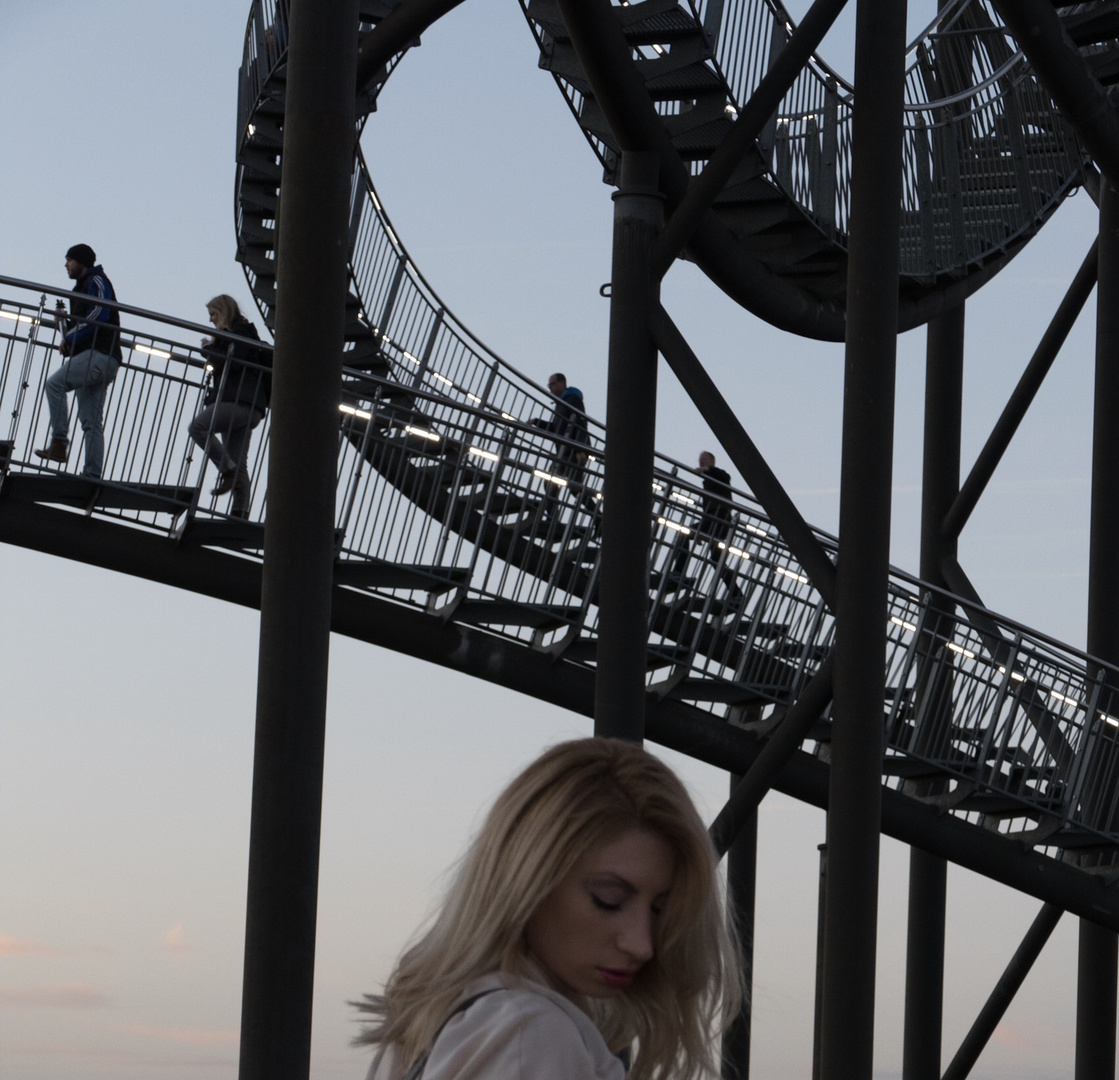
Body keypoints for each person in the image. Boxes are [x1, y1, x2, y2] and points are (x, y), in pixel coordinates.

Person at [355, 737, 742, 1080]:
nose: (642, 945)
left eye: (661, 909)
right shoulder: (533, 1035)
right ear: (528, 882)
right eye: (609, 899)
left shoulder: (437, 1022)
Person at [35, 244, 122, 478]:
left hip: (100, 355)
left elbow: (99, 314)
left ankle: (59, 443)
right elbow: (88, 319)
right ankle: (92, 474)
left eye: (70, 260)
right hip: (98, 358)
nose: (66, 265)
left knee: (54, 385)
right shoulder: (84, 286)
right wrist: (67, 327)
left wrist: (72, 335)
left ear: (82, 261)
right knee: (91, 421)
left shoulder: (97, 280)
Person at [187, 295, 271, 518]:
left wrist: (208, 349)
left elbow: (229, 362)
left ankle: (227, 470)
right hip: (248, 404)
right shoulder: (242, 334)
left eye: (214, 314)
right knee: (239, 460)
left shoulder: (238, 335)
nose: (211, 320)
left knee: (197, 428)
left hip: (238, 402)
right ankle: (239, 512)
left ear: (224, 312)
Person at [669, 452, 743, 603]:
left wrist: (707, 470)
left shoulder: (718, 475)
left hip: (720, 519)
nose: (702, 461)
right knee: (716, 559)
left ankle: (678, 572)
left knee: (684, 534)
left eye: (705, 459)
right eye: (700, 460)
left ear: (712, 461)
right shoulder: (708, 482)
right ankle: (736, 593)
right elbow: (707, 509)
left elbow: (724, 475)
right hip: (715, 521)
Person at [530, 373, 598, 528]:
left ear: (561, 383)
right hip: (565, 451)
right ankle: (554, 519)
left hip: (573, 451)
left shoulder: (572, 399)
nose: (550, 388)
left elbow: (581, 422)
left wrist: (581, 449)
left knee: (571, 487)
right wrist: (536, 422)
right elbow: (556, 429)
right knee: (559, 485)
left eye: (552, 384)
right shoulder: (562, 404)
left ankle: (598, 519)